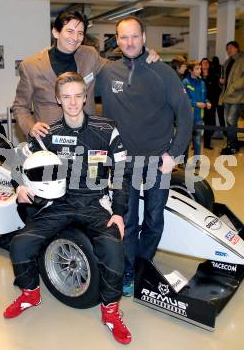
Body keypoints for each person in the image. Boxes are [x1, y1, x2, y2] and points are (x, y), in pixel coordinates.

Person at [5, 72, 133, 345]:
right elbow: (18, 162)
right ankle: (30, 294)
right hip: (58, 203)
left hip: (94, 203)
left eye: (78, 96)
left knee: (113, 248)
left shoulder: (107, 128)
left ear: (85, 97)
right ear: (57, 99)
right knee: (20, 245)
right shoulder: (48, 133)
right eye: (66, 97)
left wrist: (119, 212)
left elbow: (122, 172)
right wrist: (20, 185)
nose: (73, 102)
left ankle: (110, 312)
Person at [96, 17, 192, 296]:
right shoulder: (107, 72)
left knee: (153, 218)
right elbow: (76, 91)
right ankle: (128, 269)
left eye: (134, 36)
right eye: (123, 37)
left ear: (144, 37)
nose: (129, 43)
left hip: (156, 162)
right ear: (117, 39)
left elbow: (185, 114)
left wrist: (174, 154)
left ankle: (142, 262)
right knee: (126, 219)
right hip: (123, 162)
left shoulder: (163, 71)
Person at [12, 10, 159, 139]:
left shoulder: (89, 55)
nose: (75, 38)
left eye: (80, 33)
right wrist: (31, 127)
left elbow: (118, 68)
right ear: (55, 32)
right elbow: (20, 107)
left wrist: (144, 53)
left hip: (87, 140)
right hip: (50, 141)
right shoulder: (31, 66)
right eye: (69, 31)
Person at [218, 41, 244, 154]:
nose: (229, 50)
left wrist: (234, 86)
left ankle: (232, 146)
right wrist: (222, 82)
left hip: (238, 96)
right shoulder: (227, 62)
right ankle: (232, 143)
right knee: (228, 122)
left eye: (231, 48)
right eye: (227, 48)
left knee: (231, 120)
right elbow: (225, 78)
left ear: (237, 48)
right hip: (227, 96)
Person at [183, 60, 211, 158]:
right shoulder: (185, 82)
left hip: (199, 117)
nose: (200, 70)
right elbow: (184, 99)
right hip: (188, 117)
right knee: (186, 140)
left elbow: (204, 97)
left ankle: (197, 161)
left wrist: (207, 102)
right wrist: (195, 104)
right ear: (191, 70)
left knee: (198, 139)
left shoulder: (202, 83)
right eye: (197, 69)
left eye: (200, 68)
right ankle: (183, 161)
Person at [200, 58, 219, 150]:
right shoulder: (197, 76)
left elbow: (216, 91)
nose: (205, 64)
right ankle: (196, 143)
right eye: (203, 62)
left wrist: (212, 103)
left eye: (207, 62)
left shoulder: (214, 76)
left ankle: (207, 143)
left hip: (210, 104)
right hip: (199, 104)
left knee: (210, 124)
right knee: (197, 123)